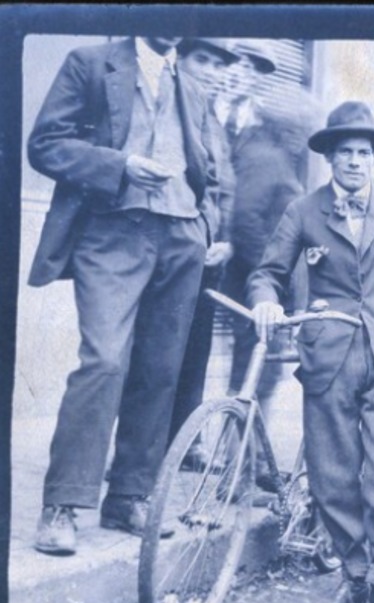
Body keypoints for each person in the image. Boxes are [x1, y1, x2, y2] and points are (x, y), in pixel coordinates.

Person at [248, 102, 374, 603]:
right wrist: (267, 300)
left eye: (364, 153)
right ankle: (353, 579)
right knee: (332, 479)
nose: (355, 162)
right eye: (345, 152)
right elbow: (267, 272)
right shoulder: (303, 211)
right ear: (330, 157)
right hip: (328, 357)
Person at [28, 36, 220, 556]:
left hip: (181, 238)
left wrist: (206, 226)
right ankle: (63, 504)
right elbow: (44, 144)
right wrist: (119, 165)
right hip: (113, 231)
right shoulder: (91, 63)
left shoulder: (195, 87)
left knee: (161, 369)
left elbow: (214, 172)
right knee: (105, 361)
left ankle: (130, 495)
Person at [218, 40, 307, 431]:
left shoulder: (278, 158)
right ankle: (243, 466)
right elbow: (245, 220)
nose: (306, 136)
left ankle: (249, 461)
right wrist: (274, 272)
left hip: (259, 281)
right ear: (288, 126)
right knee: (254, 372)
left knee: (260, 372)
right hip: (255, 283)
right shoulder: (268, 158)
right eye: (303, 128)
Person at [168, 37, 240, 445]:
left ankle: (183, 440)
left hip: (209, 257)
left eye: (218, 63)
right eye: (203, 60)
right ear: (180, 59)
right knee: (156, 355)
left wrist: (227, 242)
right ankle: (139, 449)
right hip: (173, 247)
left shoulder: (216, 119)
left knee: (196, 351)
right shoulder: (169, 108)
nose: (211, 71)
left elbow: (225, 191)